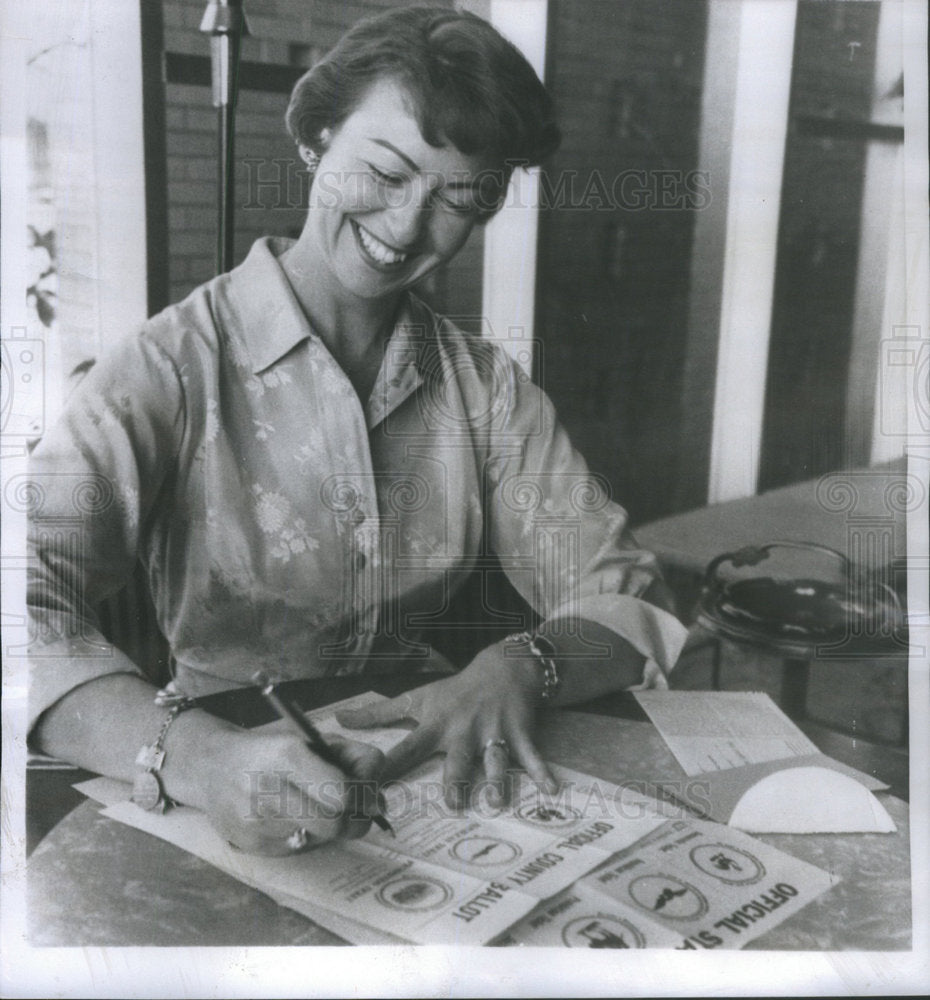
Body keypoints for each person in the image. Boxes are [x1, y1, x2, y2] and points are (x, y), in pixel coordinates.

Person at [27, 5, 687, 856]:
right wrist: (195, 758)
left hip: (421, 784)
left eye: (458, 200)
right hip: (214, 781)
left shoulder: (480, 389)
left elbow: (627, 594)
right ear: (316, 138)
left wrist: (522, 663)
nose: (408, 225)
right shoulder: (170, 368)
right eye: (384, 171)